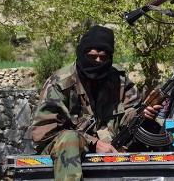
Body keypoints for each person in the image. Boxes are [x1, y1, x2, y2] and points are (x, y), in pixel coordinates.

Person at [30, 25, 163, 180]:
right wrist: (93, 143)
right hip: (64, 149)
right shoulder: (60, 83)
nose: (98, 62)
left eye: (103, 57)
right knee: (70, 139)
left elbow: (128, 114)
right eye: (92, 57)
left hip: (113, 147)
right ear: (82, 53)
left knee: (155, 128)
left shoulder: (118, 80)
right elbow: (43, 134)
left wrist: (142, 114)